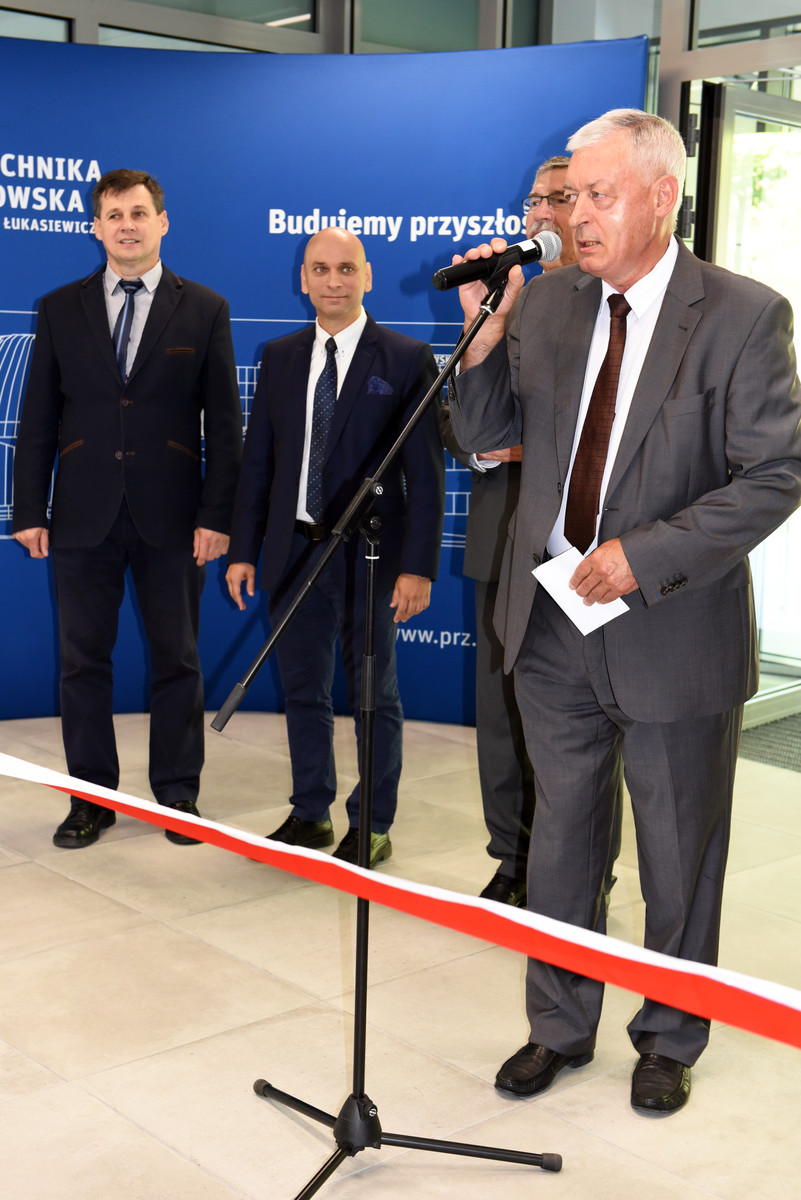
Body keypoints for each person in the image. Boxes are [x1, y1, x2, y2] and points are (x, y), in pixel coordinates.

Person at [448, 109, 801, 1113]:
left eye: (598, 196)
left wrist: (640, 558)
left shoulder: (742, 314)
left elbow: (775, 473)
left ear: (661, 197)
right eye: (569, 198)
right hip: (552, 624)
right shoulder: (550, 305)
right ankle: (559, 1027)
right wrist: (486, 334)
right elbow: (482, 438)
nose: (575, 217)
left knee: (678, 850)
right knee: (561, 840)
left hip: (672, 630)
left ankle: (670, 1036)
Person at [12, 168, 242, 850]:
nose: (127, 226)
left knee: (178, 659)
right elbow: (38, 419)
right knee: (82, 662)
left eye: (139, 213)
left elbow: (224, 424)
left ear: (162, 222)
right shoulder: (60, 307)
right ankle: (91, 800)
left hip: (173, 517)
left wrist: (218, 515)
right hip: (81, 516)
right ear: (96, 227)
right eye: (113, 215)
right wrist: (29, 508)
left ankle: (178, 796)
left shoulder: (205, 308)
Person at [226, 227, 444, 868]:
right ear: (303, 279)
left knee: (374, 696)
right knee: (302, 691)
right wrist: (244, 549)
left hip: (370, 558)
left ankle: (371, 823)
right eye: (320, 269)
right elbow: (258, 464)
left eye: (346, 268)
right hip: (293, 553)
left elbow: (426, 476)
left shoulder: (405, 358)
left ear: (367, 276)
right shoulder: (279, 356)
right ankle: (310, 812)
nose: (333, 281)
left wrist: (418, 567)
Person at [441, 155, 585, 907]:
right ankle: (512, 856)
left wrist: (528, 446)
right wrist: (483, 444)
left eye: (558, 197)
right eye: (533, 199)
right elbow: (453, 412)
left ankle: (576, 863)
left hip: (582, 553)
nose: (540, 213)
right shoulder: (508, 296)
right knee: (501, 714)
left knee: (574, 723)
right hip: (502, 540)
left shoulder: (611, 304)